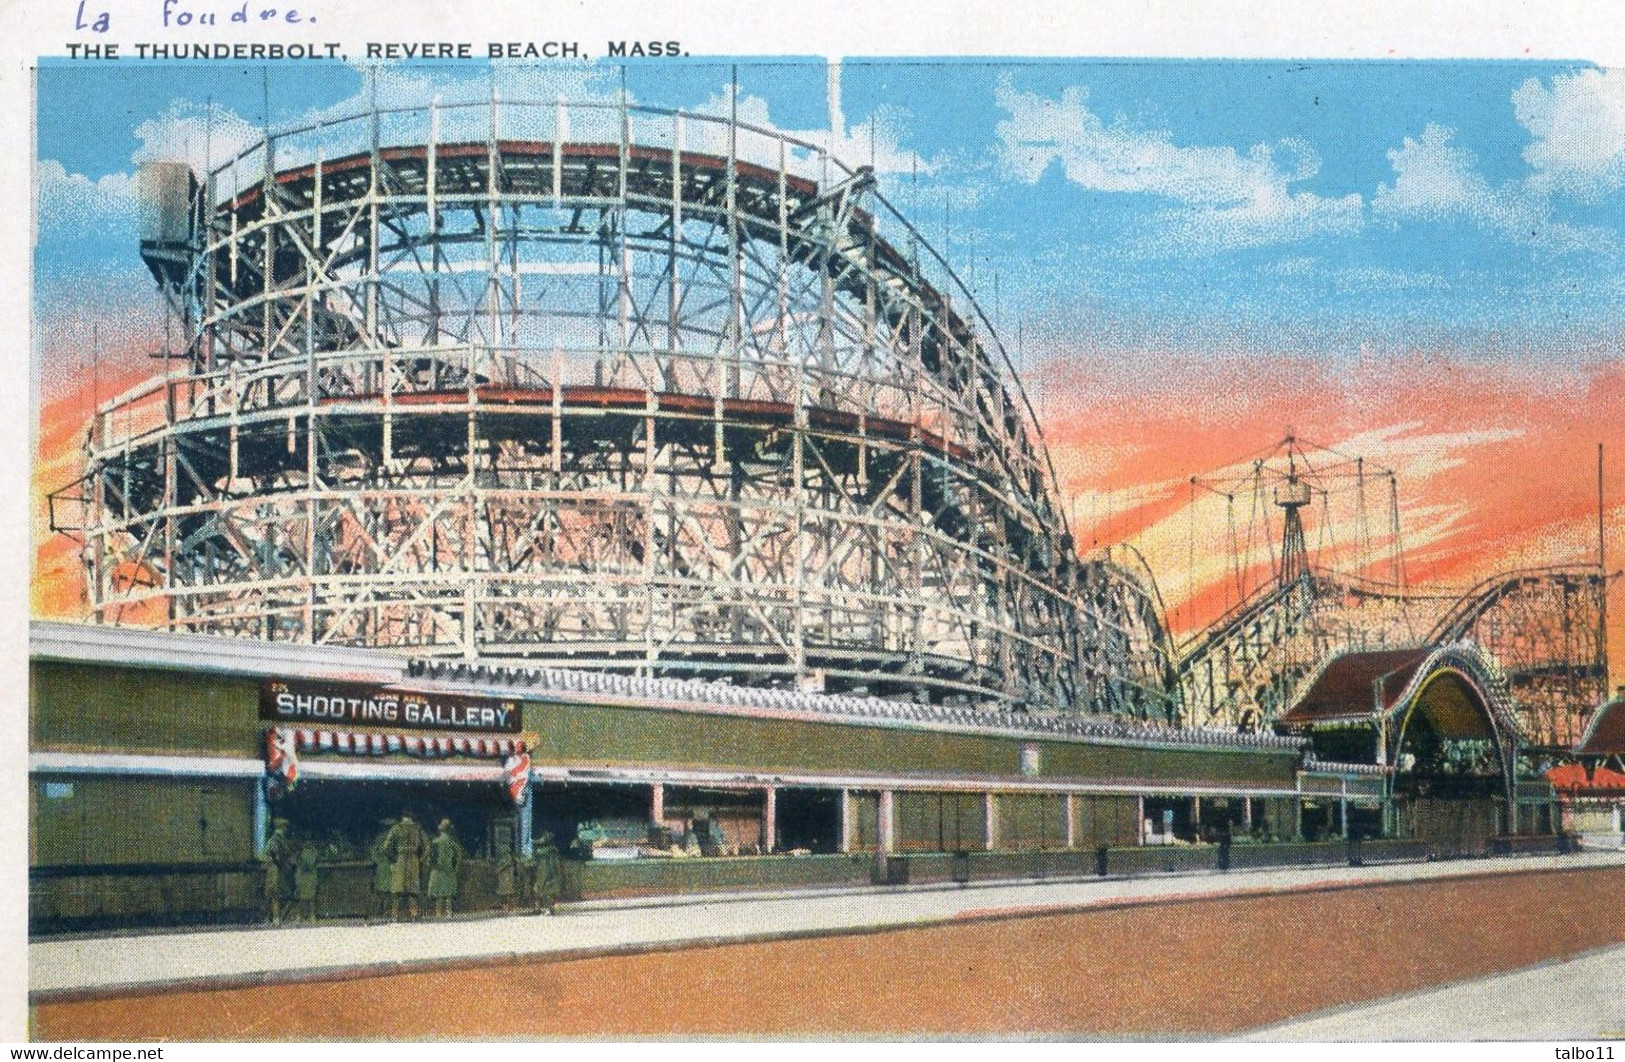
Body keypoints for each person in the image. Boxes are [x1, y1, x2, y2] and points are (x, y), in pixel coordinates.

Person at [380, 812, 429, 920]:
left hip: (400, 860)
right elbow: (427, 848)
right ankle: (414, 914)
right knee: (413, 890)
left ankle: (395, 915)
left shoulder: (396, 828)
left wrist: (393, 858)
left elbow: (385, 847)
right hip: (413, 860)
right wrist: (420, 860)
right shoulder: (418, 829)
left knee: (398, 890)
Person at [426, 818, 463, 918]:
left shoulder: (435, 841)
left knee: (438, 894)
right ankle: (449, 913)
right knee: (448, 894)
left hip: (437, 869)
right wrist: (455, 867)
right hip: (449, 869)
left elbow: (430, 858)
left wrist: (429, 865)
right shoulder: (452, 842)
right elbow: (459, 855)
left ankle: (438, 914)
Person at [260, 818, 295, 925]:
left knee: (276, 894)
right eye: (285, 827)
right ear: (283, 828)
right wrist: (282, 865)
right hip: (275, 868)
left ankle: (275, 917)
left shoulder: (278, 839)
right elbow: (275, 854)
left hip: (276, 868)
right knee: (275, 893)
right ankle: (274, 918)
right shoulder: (276, 839)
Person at [368, 818, 394, 920]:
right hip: (390, 866)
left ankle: (383, 911)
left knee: (382, 890)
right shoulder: (392, 838)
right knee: (389, 890)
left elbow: (374, 854)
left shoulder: (379, 838)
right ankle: (388, 911)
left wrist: (378, 862)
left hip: (382, 866)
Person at [532, 832, 562, 915]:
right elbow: (557, 864)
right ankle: (546, 908)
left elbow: (535, 860)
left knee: (541, 890)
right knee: (546, 891)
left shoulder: (542, 851)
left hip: (544, 871)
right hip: (547, 872)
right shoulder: (553, 850)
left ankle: (541, 908)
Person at [293, 839, 322, 922]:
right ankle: (299, 916)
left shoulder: (313, 851)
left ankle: (312, 916)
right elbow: (295, 862)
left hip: (310, 876)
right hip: (301, 876)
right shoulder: (299, 852)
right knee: (300, 897)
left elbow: (311, 863)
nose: (307, 842)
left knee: (311, 897)